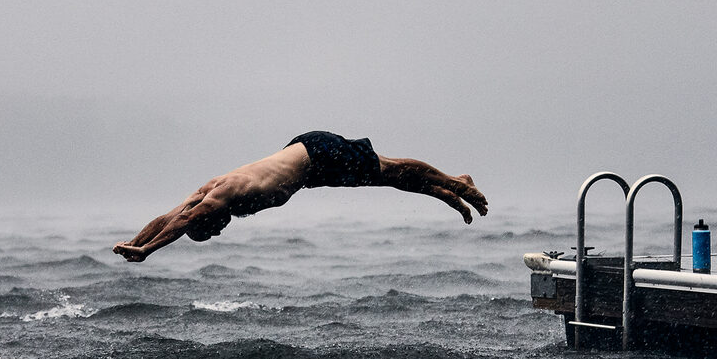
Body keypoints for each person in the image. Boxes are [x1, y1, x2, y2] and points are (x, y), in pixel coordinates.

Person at [112, 131, 488, 262]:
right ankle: (448, 191)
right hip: (310, 170)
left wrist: (148, 251)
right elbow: (170, 216)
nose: (218, 233)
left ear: (206, 217)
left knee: (389, 168)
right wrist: (135, 242)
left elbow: (180, 222)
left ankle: (456, 183)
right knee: (385, 179)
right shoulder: (204, 193)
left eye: (209, 231)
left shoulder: (219, 198)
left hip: (315, 156)